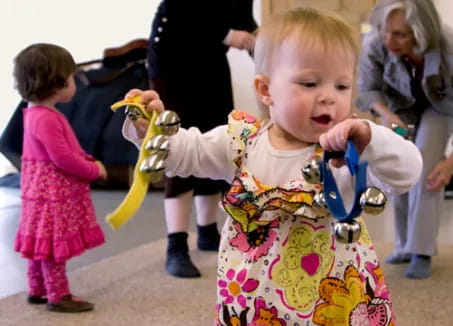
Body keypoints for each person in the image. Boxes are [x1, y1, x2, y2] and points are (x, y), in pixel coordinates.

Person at [122, 8, 422, 324]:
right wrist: (149, 128)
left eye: (342, 86)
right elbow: (182, 153)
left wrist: (371, 137)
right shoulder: (241, 142)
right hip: (254, 304)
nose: (329, 98)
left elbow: (407, 173)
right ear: (266, 90)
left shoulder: (348, 149)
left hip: (334, 305)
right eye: (309, 83)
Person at [356, 0, 453, 279]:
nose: (389, 40)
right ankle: (404, 245)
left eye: (401, 34)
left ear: (420, 33)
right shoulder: (377, 41)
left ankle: (421, 249)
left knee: (428, 162)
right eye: (387, 32)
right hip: (397, 107)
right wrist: (388, 115)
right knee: (398, 166)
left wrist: (451, 162)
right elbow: (367, 89)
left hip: (441, 107)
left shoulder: (451, 49)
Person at [147, 0, 257, 278]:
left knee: (216, 142)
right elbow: (180, 8)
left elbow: (245, 22)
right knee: (179, 147)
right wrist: (226, 34)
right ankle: (177, 245)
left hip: (210, 61)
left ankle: (207, 232)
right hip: (174, 61)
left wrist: (268, 52)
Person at [12, 43, 107, 312]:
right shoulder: (47, 119)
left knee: (40, 241)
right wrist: (93, 170)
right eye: (71, 78)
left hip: (39, 193)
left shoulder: (34, 113)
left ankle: (37, 288)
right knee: (53, 245)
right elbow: (63, 158)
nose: (74, 83)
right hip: (52, 195)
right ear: (55, 85)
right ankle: (58, 294)